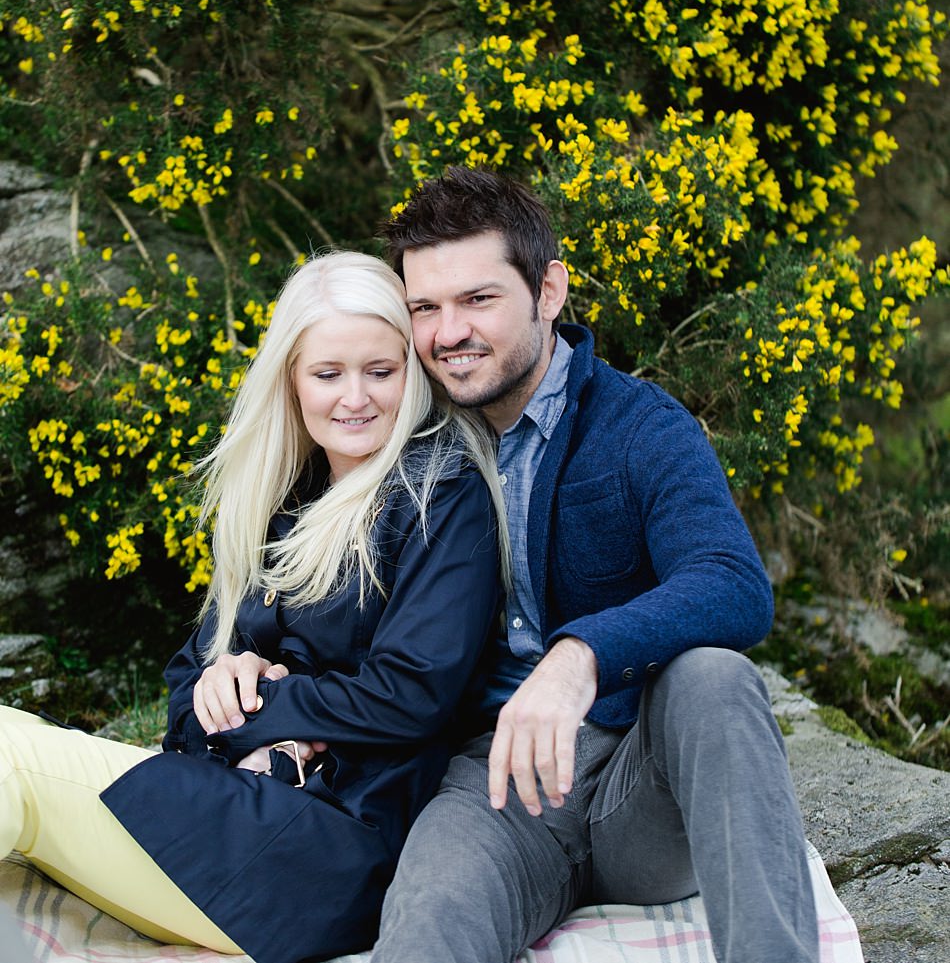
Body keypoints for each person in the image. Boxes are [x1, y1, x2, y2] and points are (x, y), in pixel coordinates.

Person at [0, 251, 505, 963]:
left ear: (412, 374)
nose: (355, 396)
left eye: (380, 371)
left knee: (7, 754)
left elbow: (411, 693)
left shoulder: (443, 497)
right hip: (230, 808)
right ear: (292, 381)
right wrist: (225, 696)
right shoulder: (280, 504)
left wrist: (268, 708)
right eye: (328, 373)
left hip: (326, 848)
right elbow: (186, 686)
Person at [373, 166, 820, 963]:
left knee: (713, 678)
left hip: (640, 790)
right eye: (425, 308)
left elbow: (733, 581)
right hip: (494, 791)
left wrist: (580, 656)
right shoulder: (406, 444)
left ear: (549, 291)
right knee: (429, 920)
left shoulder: (639, 425)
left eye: (478, 299)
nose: (447, 333)